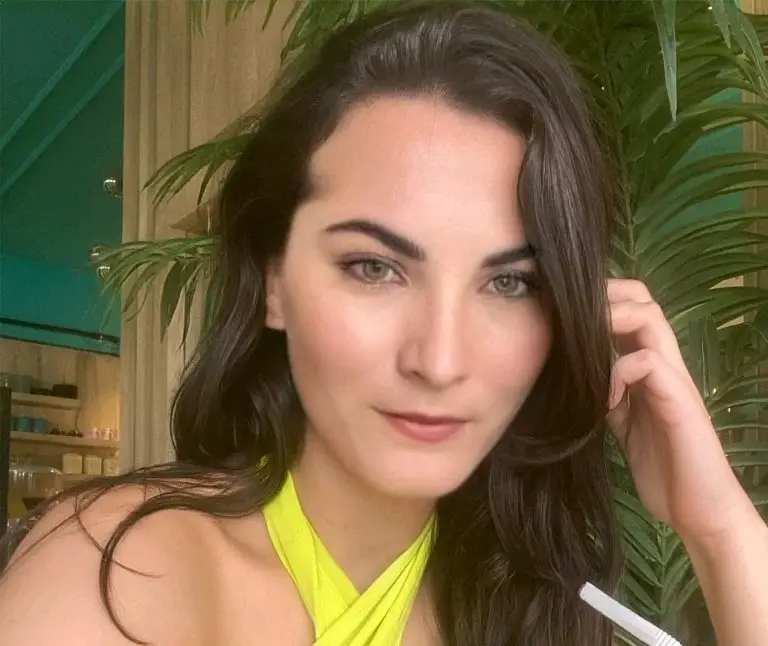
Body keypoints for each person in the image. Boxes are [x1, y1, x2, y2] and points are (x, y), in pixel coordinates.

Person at [1, 1, 767, 644]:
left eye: (509, 282)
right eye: (374, 268)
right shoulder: (119, 575)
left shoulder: (534, 600)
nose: (439, 359)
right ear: (273, 279)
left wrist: (720, 526)